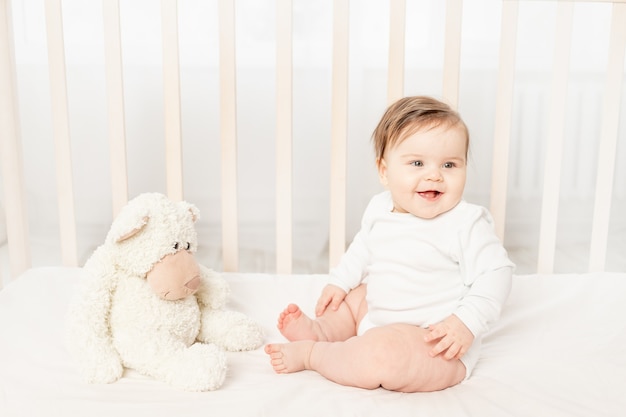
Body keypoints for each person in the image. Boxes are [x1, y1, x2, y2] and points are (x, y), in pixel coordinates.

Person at [264, 96, 514, 392]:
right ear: (384, 171)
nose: (434, 174)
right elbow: (363, 248)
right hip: (377, 316)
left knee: (384, 357)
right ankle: (321, 331)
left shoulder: (467, 222)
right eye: (417, 163)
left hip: (431, 340)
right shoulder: (380, 208)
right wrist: (340, 283)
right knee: (354, 297)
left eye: (449, 164)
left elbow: (497, 273)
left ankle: (314, 354)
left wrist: (465, 322)